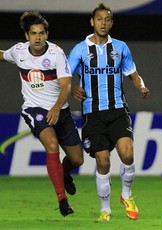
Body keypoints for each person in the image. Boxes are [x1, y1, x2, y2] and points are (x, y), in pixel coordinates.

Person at [68, 3, 150, 222]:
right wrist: (72, 88)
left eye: (107, 19)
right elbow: (64, 76)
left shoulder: (121, 48)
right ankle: (105, 209)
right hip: (92, 113)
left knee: (127, 153)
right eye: (99, 19)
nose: (103, 23)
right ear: (92, 22)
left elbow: (133, 73)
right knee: (103, 162)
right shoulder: (80, 50)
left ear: (111, 22)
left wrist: (141, 86)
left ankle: (126, 195)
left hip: (117, 109)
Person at [0, 11, 84, 216]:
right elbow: (2, 55)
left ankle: (64, 174)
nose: (38, 37)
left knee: (77, 160)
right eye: (33, 33)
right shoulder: (18, 51)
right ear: (27, 35)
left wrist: (56, 108)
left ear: (47, 34)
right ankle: (62, 200)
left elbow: (65, 87)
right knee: (52, 145)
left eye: (41, 33)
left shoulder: (56, 54)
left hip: (60, 110)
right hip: (34, 109)